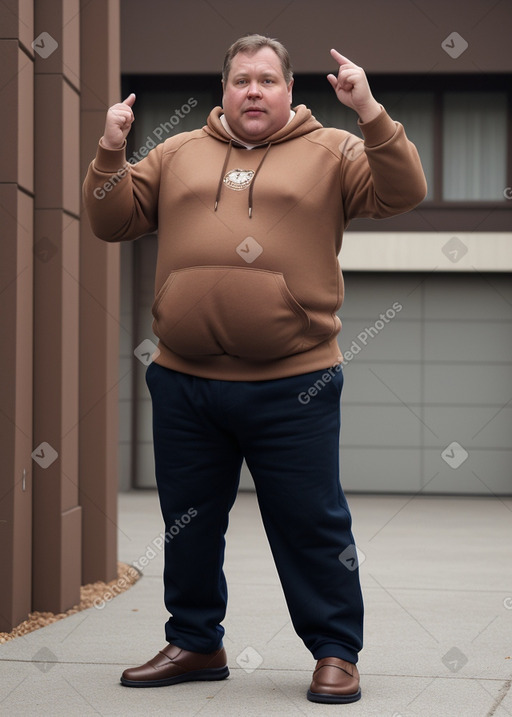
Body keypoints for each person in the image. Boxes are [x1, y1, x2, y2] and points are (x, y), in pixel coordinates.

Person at [83, 34, 426, 705]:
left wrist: (369, 111)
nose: (253, 91)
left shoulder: (333, 151)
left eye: (267, 80)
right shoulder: (180, 153)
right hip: (185, 382)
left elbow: (405, 190)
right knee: (188, 520)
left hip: (293, 383)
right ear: (224, 90)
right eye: (241, 80)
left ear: (290, 91)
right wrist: (111, 150)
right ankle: (195, 641)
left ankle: (334, 649)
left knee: (311, 521)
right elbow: (109, 219)